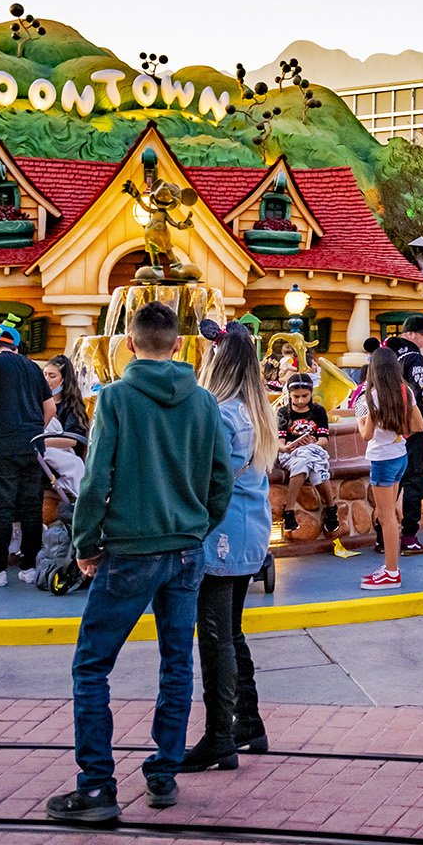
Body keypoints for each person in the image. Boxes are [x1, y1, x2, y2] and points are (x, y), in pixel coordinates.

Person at [48, 301, 234, 824]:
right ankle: (163, 773)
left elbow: (95, 480)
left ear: (129, 344)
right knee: (177, 663)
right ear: (179, 344)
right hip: (185, 552)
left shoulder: (115, 399)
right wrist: (196, 526)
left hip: (129, 551)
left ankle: (96, 788)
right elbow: (222, 480)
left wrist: (85, 544)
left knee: (91, 666)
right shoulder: (203, 403)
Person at [181, 324, 280, 773]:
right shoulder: (255, 411)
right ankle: (248, 722)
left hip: (220, 535)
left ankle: (220, 735)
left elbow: (206, 477)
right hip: (250, 533)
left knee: (215, 636)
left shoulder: (220, 415)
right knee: (231, 630)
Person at [0, 325, 55, 587]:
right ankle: (29, 566)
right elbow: (49, 408)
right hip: (33, 445)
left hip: (1, 445)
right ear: (16, 346)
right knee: (30, 506)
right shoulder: (33, 367)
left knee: (1, 507)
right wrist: (35, 428)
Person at [358, 345, 421, 589]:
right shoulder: (406, 392)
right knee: (391, 514)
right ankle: (389, 566)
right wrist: (399, 431)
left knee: (386, 518)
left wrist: (360, 419)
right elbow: (418, 425)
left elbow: (366, 434)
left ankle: (392, 572)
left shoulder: (374, 396)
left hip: (382, 460)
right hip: (400, 456)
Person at [393, 315, 423, 558]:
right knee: (414, 480)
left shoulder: (388, 358)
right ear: (410, 334)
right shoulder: (416, 361)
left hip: (390, 431)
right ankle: (408, 536)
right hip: (413, 430)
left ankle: (385, 536)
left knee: (391, 483)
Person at [275, 376, 336, 536]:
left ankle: (289, 511)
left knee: (311, 461)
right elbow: (280, 443)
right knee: (304, 462)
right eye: (296, 396)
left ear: (311, 394)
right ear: (289, 394)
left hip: (313, 451)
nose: (301, 400)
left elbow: (323, 440)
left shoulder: (318, 411)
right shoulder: (283, 413)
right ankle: (330, 507)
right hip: (292, 454)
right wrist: (286, 448)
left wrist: (311, 445)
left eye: (304, 396)